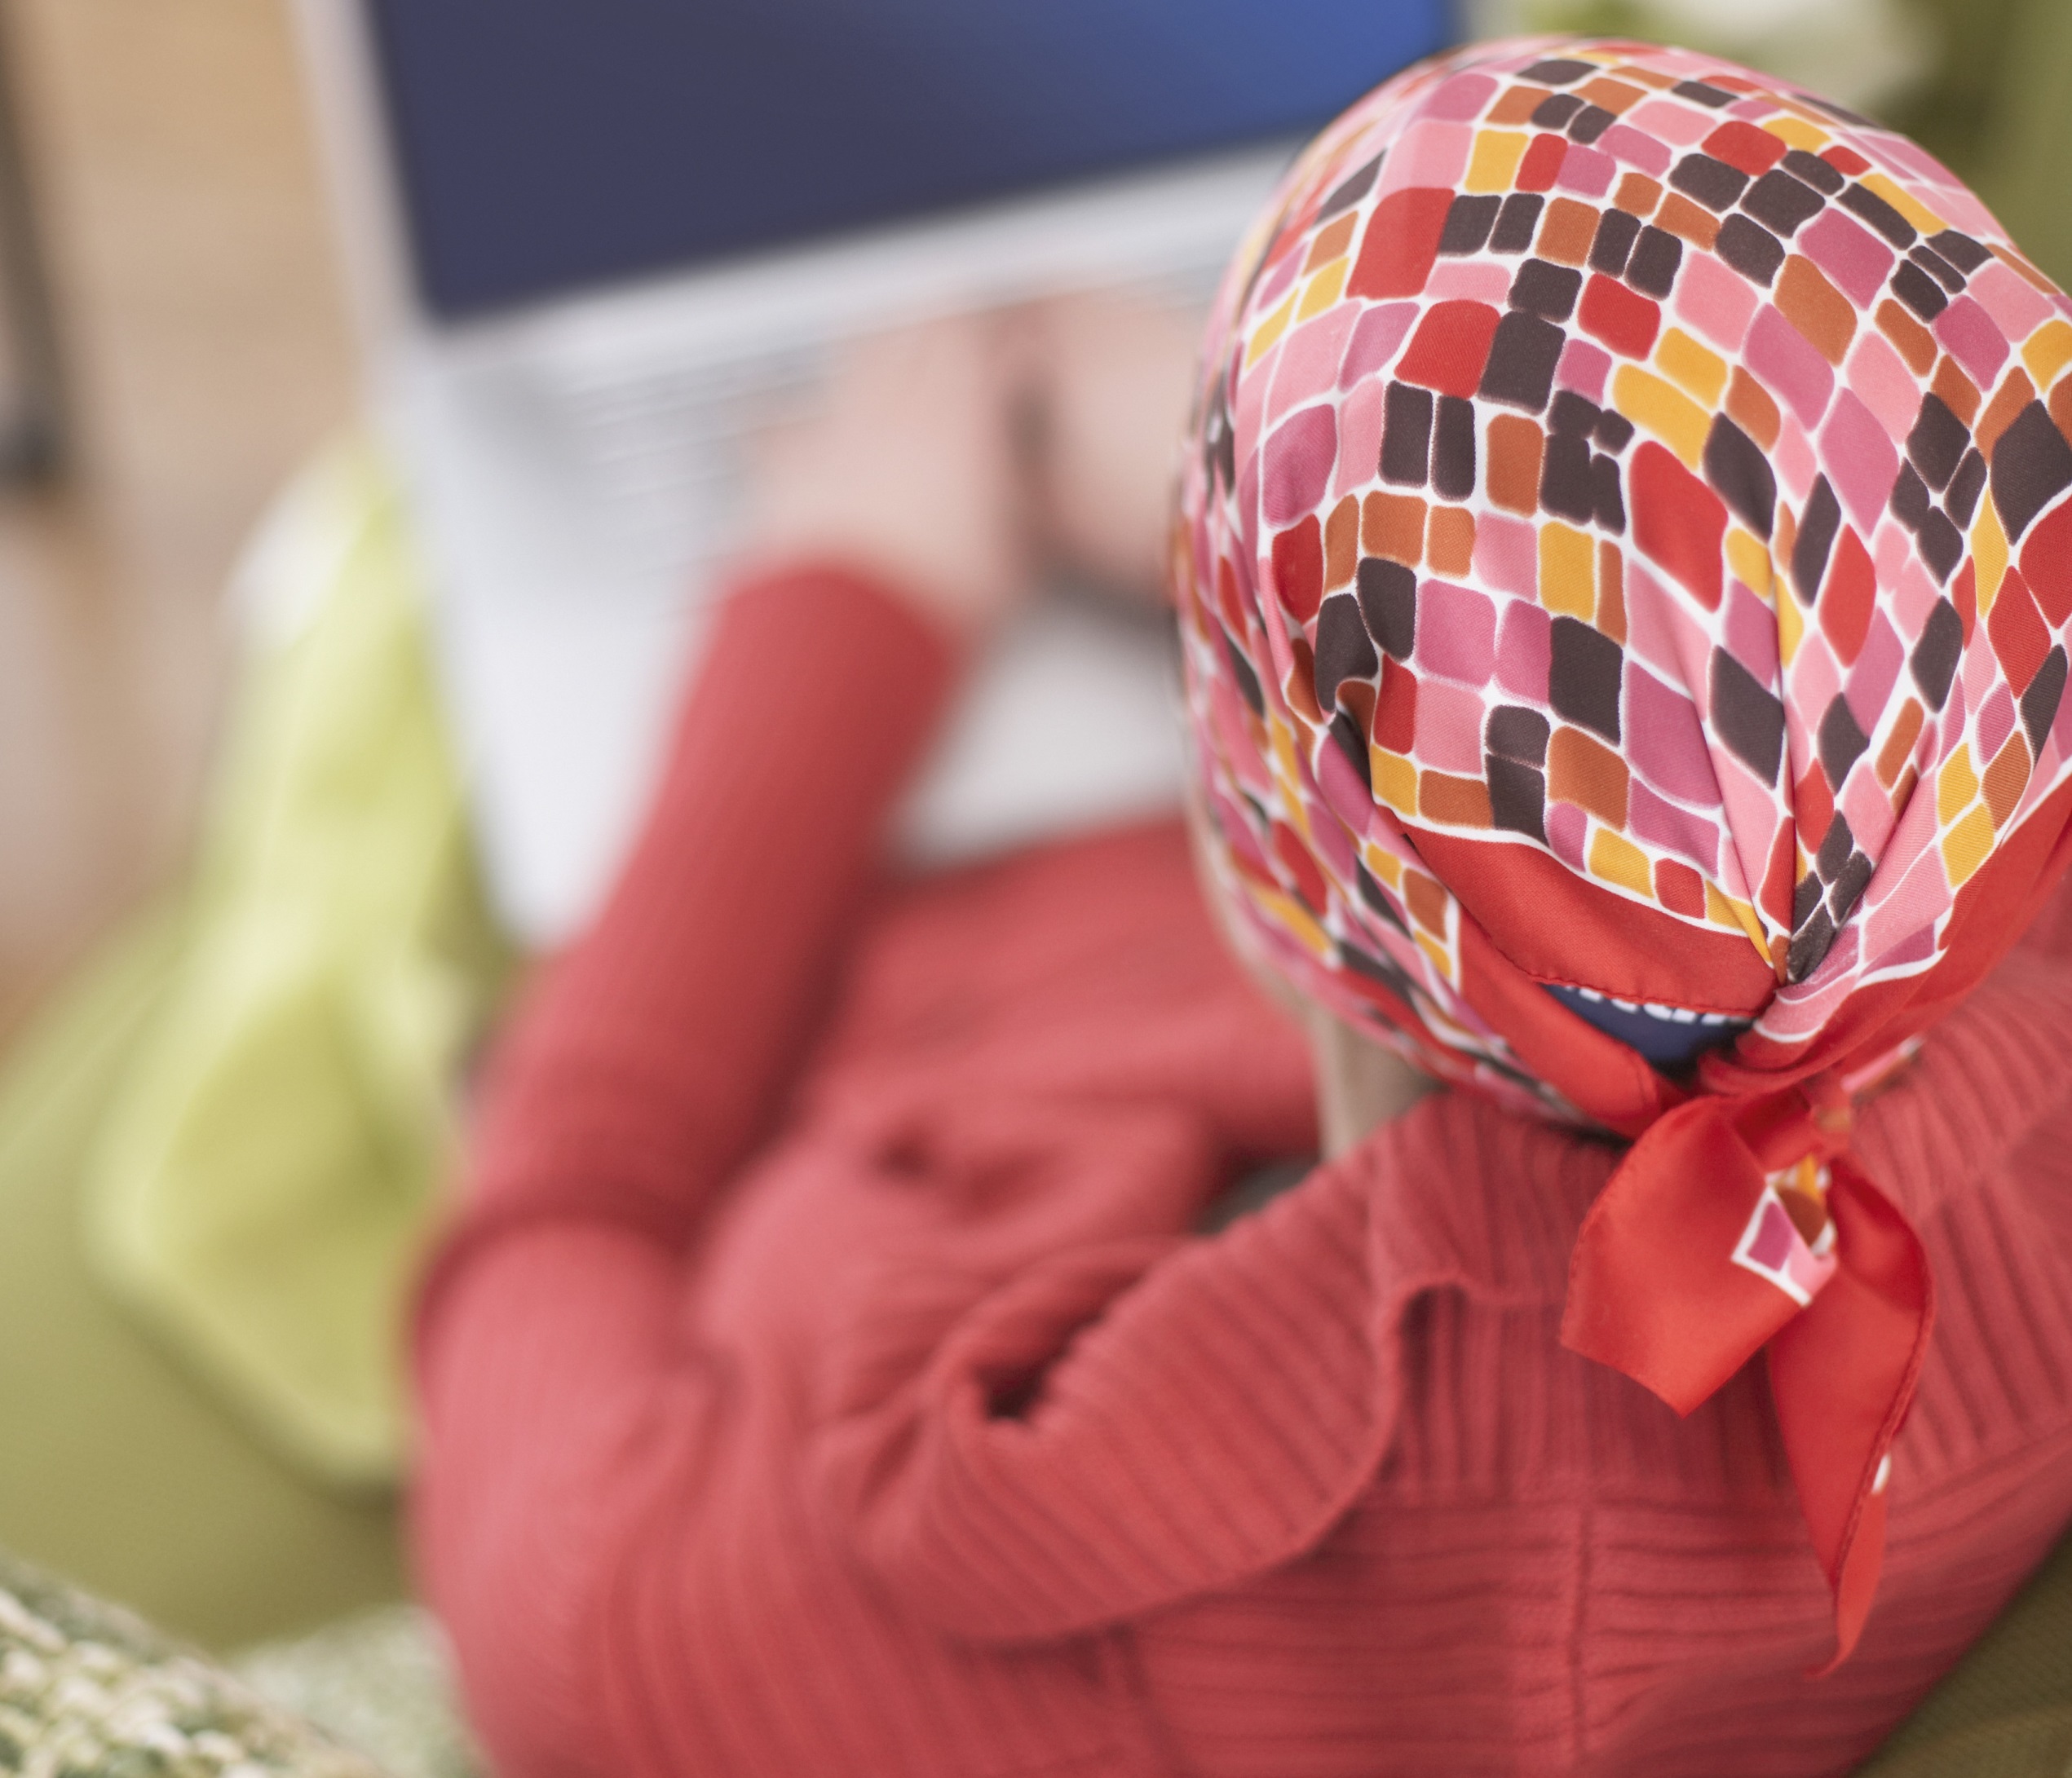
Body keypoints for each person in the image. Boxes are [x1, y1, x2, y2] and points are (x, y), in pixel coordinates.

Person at [410, 38, 2072, 1776]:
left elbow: (564, 1484)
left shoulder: (1038, 1565)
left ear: (1251, 835)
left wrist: (839, 613)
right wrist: (1339, 510)